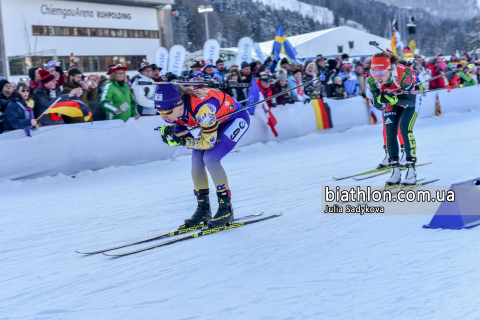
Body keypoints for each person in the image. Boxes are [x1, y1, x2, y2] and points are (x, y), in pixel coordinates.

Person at [155, 83, 250, 228]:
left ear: (179, 104)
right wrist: (173, 133)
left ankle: (226, 209)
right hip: (216, 121)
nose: (163, 117)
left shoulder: (203, 110)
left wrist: (182, 141)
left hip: (235, 118)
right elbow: (183, 125)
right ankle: (203, 209)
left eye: (167, 112)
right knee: (196, 159)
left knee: (211, 158)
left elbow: (208, 143)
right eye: (159, 111)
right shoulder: (174, 110)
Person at [366, 51, 423, 185]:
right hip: (394, 98)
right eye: (374, 72)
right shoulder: (372, 80)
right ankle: (395, 171)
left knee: (405, 129)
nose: (377, 77)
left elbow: (410, 102)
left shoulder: (403, 74)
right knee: (389, 132)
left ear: (390, 68)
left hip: (411, 97)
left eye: (381, 72)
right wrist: (380, 100)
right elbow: (378, 104)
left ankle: (411, 170)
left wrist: (394, 99)